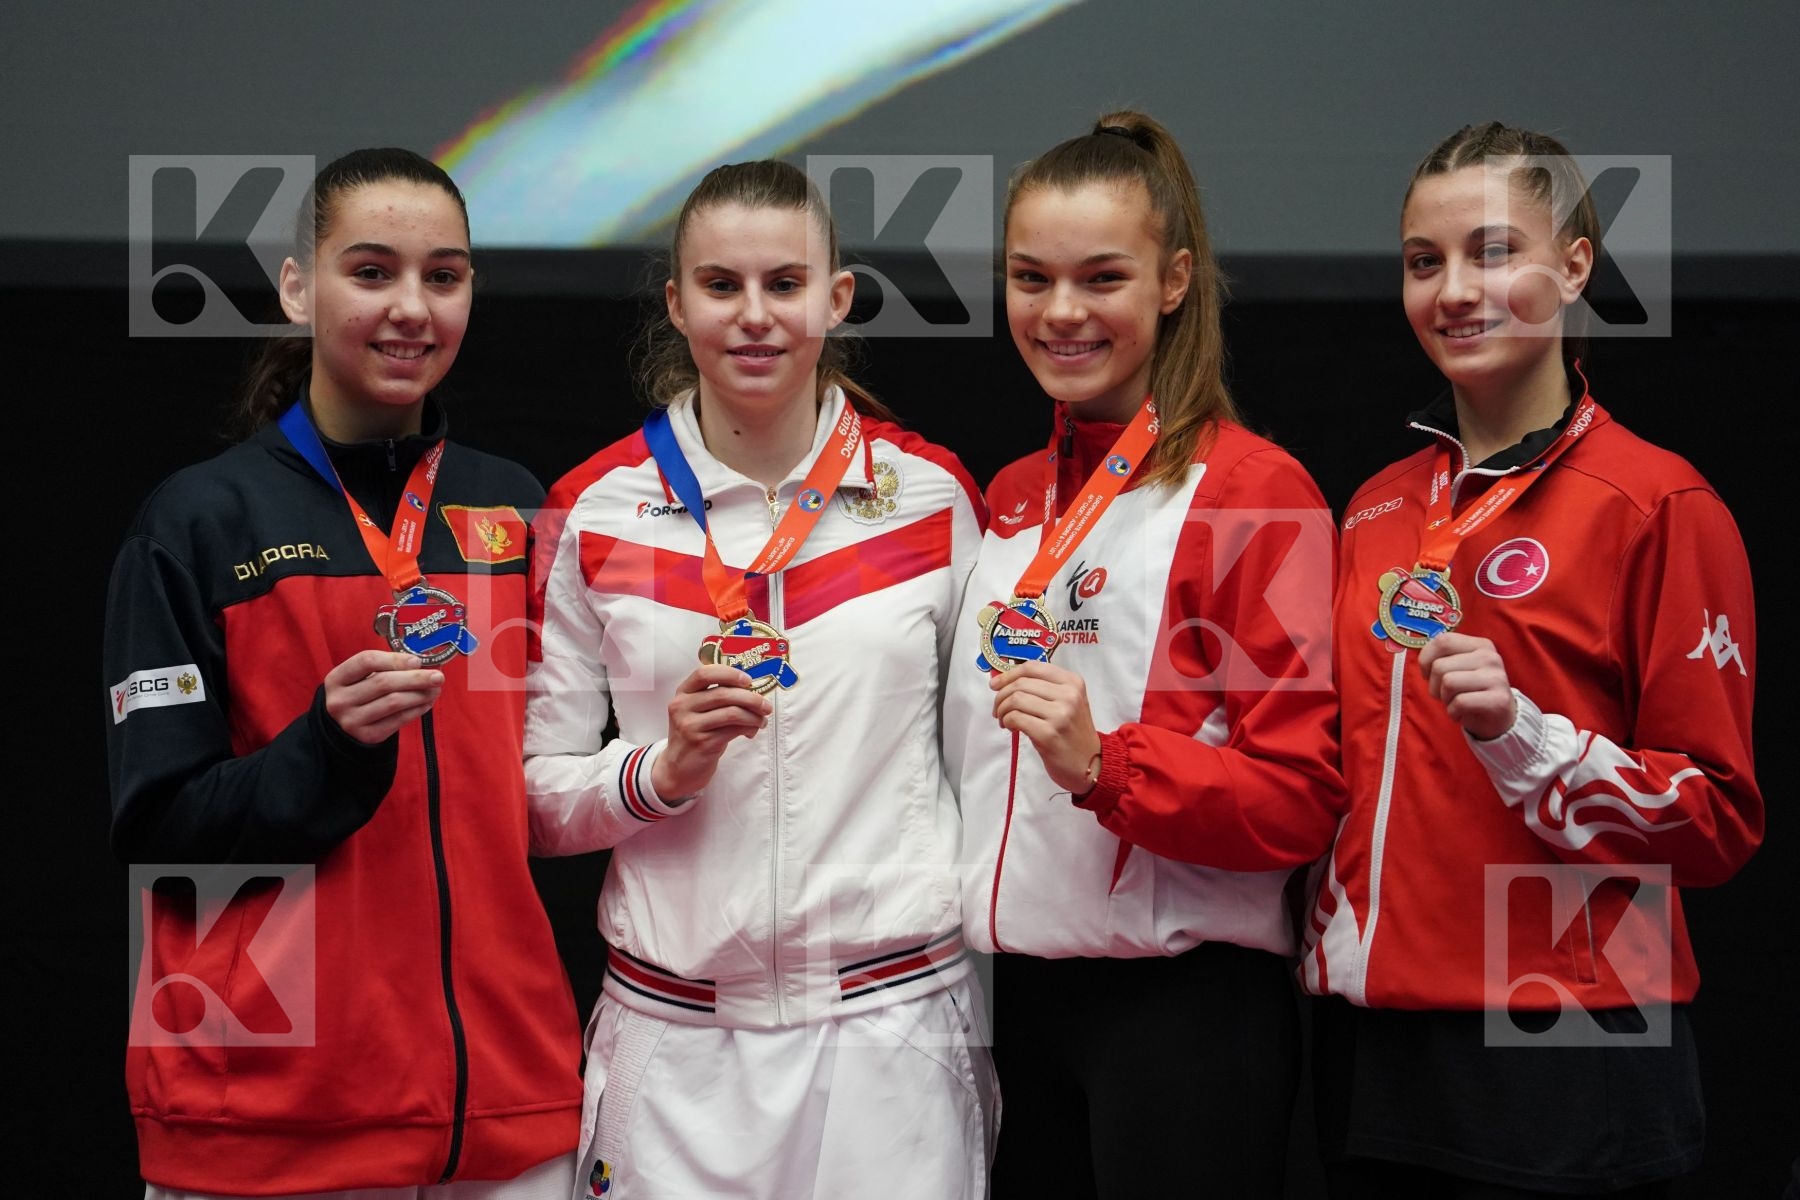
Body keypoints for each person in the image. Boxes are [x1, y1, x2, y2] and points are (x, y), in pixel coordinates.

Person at [104, 148, 582, 1198]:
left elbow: (549, 787)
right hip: (271, 1120)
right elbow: (159, 831)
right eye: (371, 272)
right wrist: (324, 748)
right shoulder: (199, 521)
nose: (411, 307)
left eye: (443, 276)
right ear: (296, 287)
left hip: (505, 1116)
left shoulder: (514, 510)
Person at [1301, 122, 1763, 1197]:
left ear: (1575, 266)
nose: (1455, 290)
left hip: (1567, 1035)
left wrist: (1524, 736)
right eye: (1425, 261)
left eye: (1494, 251)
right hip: (1375, 1038)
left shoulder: (1657, 502)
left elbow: (1718, 822)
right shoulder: (1373, 508)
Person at [525, 160, 996, 1199]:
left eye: (785, 284)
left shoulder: (933, 498)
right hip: (675, 1043)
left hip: (892, 1033)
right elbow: (530, 800)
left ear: (838, 298)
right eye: (720, 285)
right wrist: (657, 772)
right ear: (675, 302)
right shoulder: (591, 510)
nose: (753, 315)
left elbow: (989, 769)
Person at [943, 111, 1344, 1197]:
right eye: (1031, 278)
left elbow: (1302, 797)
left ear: (1173, 282)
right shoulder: (1010, 497)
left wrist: (1106, 766)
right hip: (1019, 1000)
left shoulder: (1256, 493)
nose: (1061, 312)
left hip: (1184, 1016)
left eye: (1102, 278)